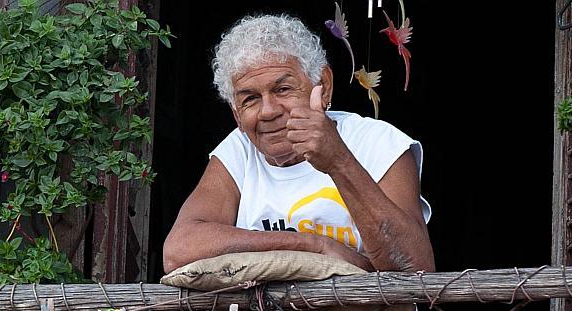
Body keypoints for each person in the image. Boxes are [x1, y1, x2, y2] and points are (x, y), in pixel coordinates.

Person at [162, 14, 435, 279]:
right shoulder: (238, 151)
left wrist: (338, 160)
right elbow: (179, 250)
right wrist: (313, 246)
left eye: (283, 90)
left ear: (323, 87)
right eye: (250, 99)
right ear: (236, 114)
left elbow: (417, 268)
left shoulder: (378, 143)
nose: (268, 111)